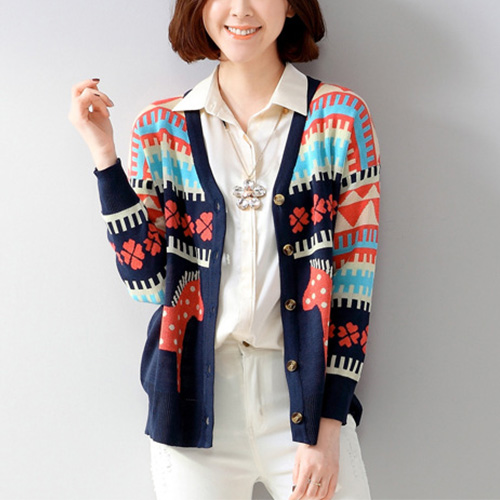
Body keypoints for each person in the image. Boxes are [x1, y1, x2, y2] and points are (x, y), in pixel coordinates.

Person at [69, 0, 380, 499]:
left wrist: (328, 427)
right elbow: (148, 284)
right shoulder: (161, 128)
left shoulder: (339, 120)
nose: (240, 9)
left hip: (302, 399)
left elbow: (351, 285)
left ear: (291, 5)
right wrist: (105, 158)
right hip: (191, 400)